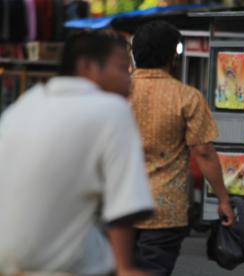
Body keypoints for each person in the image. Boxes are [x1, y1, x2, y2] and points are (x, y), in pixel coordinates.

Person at [0, 31, 153, 275]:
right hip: (65, 267)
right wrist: (125, 266)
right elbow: (124, 207)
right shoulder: (112, 109)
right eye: (123, 69)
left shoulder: (22, 106)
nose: (130, 80)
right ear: (87, 67)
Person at [129, 20, 235, 275]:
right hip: (165, 209)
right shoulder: (187, 97)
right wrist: (223, 200)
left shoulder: (115, 92)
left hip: (117, 204)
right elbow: (203, 152)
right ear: (171, 56)